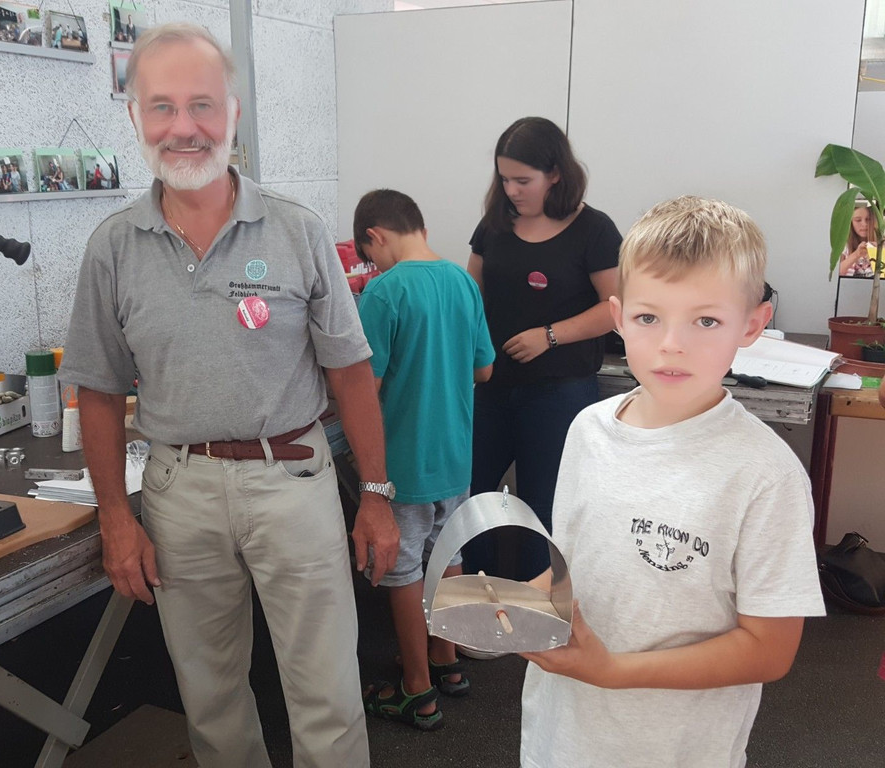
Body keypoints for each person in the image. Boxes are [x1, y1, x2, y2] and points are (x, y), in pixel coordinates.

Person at [58, 22, 399, 768]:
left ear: (234, 114)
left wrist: (375, 494)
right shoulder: (113, 247)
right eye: (163, 107)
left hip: (294, 480)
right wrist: (115, 517)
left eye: (202, 105)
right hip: (179, 490)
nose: (184, 127)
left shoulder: (297, 231)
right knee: (210, 697)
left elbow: (350, 373)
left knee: (327, 692)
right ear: (135, 117)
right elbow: (99, 391)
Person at [519, 196, 825, 768]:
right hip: (560, 737)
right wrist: (520, 603)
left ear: (752, 324)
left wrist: (612, 671)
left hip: (676, 750)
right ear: (617, 317)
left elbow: (769, 650)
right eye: (648, 317)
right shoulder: (588, 430)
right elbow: (578, 562)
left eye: (706, 320)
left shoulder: (765, 474)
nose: (671, 344)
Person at [353, 189, 494, 730]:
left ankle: (417, 689)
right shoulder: (462, 281)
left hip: (405, 463)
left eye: (370, 256)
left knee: (404, 570)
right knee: (447, 556)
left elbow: (366, 386)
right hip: (456, 454)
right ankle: (445, 660)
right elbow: (484, 370)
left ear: (376, 237)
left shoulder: (384, 291)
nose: (374, 265)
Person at [463, 116, 621, 583]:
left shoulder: (594, 230)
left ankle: (537, 607)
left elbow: (618, 308)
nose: (511, 190)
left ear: (555, 174)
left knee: (545, 505)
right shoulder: (495, 225)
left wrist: (549, 335)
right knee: (470, 494)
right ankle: (476, 596)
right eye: (504, 179)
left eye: (523, 180)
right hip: (492, 387)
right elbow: (471, 293)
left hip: (559, 392)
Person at [839, 204, 877, 277]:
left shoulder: (882, 244)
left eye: (868, 219)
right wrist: (856, 254)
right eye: (858, 220)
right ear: (851, 223)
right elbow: (837, 273)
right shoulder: (844, 245)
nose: (864, 224)